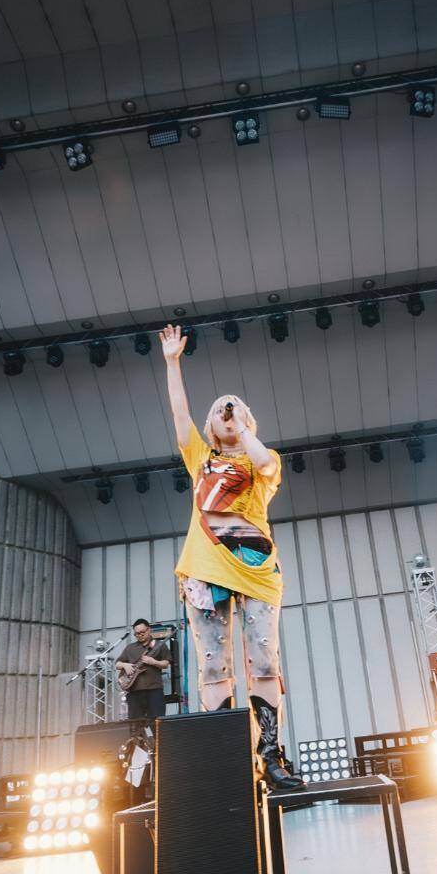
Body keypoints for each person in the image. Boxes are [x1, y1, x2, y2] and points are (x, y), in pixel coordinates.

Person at [158, 323, 303, 790]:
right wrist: (172, 362)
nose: (228, 409)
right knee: (213, 665)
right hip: (205, 568)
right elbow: (179, 413)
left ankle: (270, 756)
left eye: (236, 406)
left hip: (256, 568)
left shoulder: (264, 460)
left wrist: (241, 428)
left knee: (264, 660)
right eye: (221, 408)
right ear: (210, 425)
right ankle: (228, 762)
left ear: (247, 419)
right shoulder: (200, 457)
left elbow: (263, 463)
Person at [117, 619, 171, 721]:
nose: (139, 635)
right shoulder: (130, 648)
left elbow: (165, 664)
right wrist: (125, 665)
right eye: (136, 634)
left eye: (142, 632)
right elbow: (117, 664)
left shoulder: (160, 645)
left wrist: (153, 662)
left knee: (157, 722)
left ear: (149, 630)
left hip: (154, 690)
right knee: (135, 723)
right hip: (134, 691)